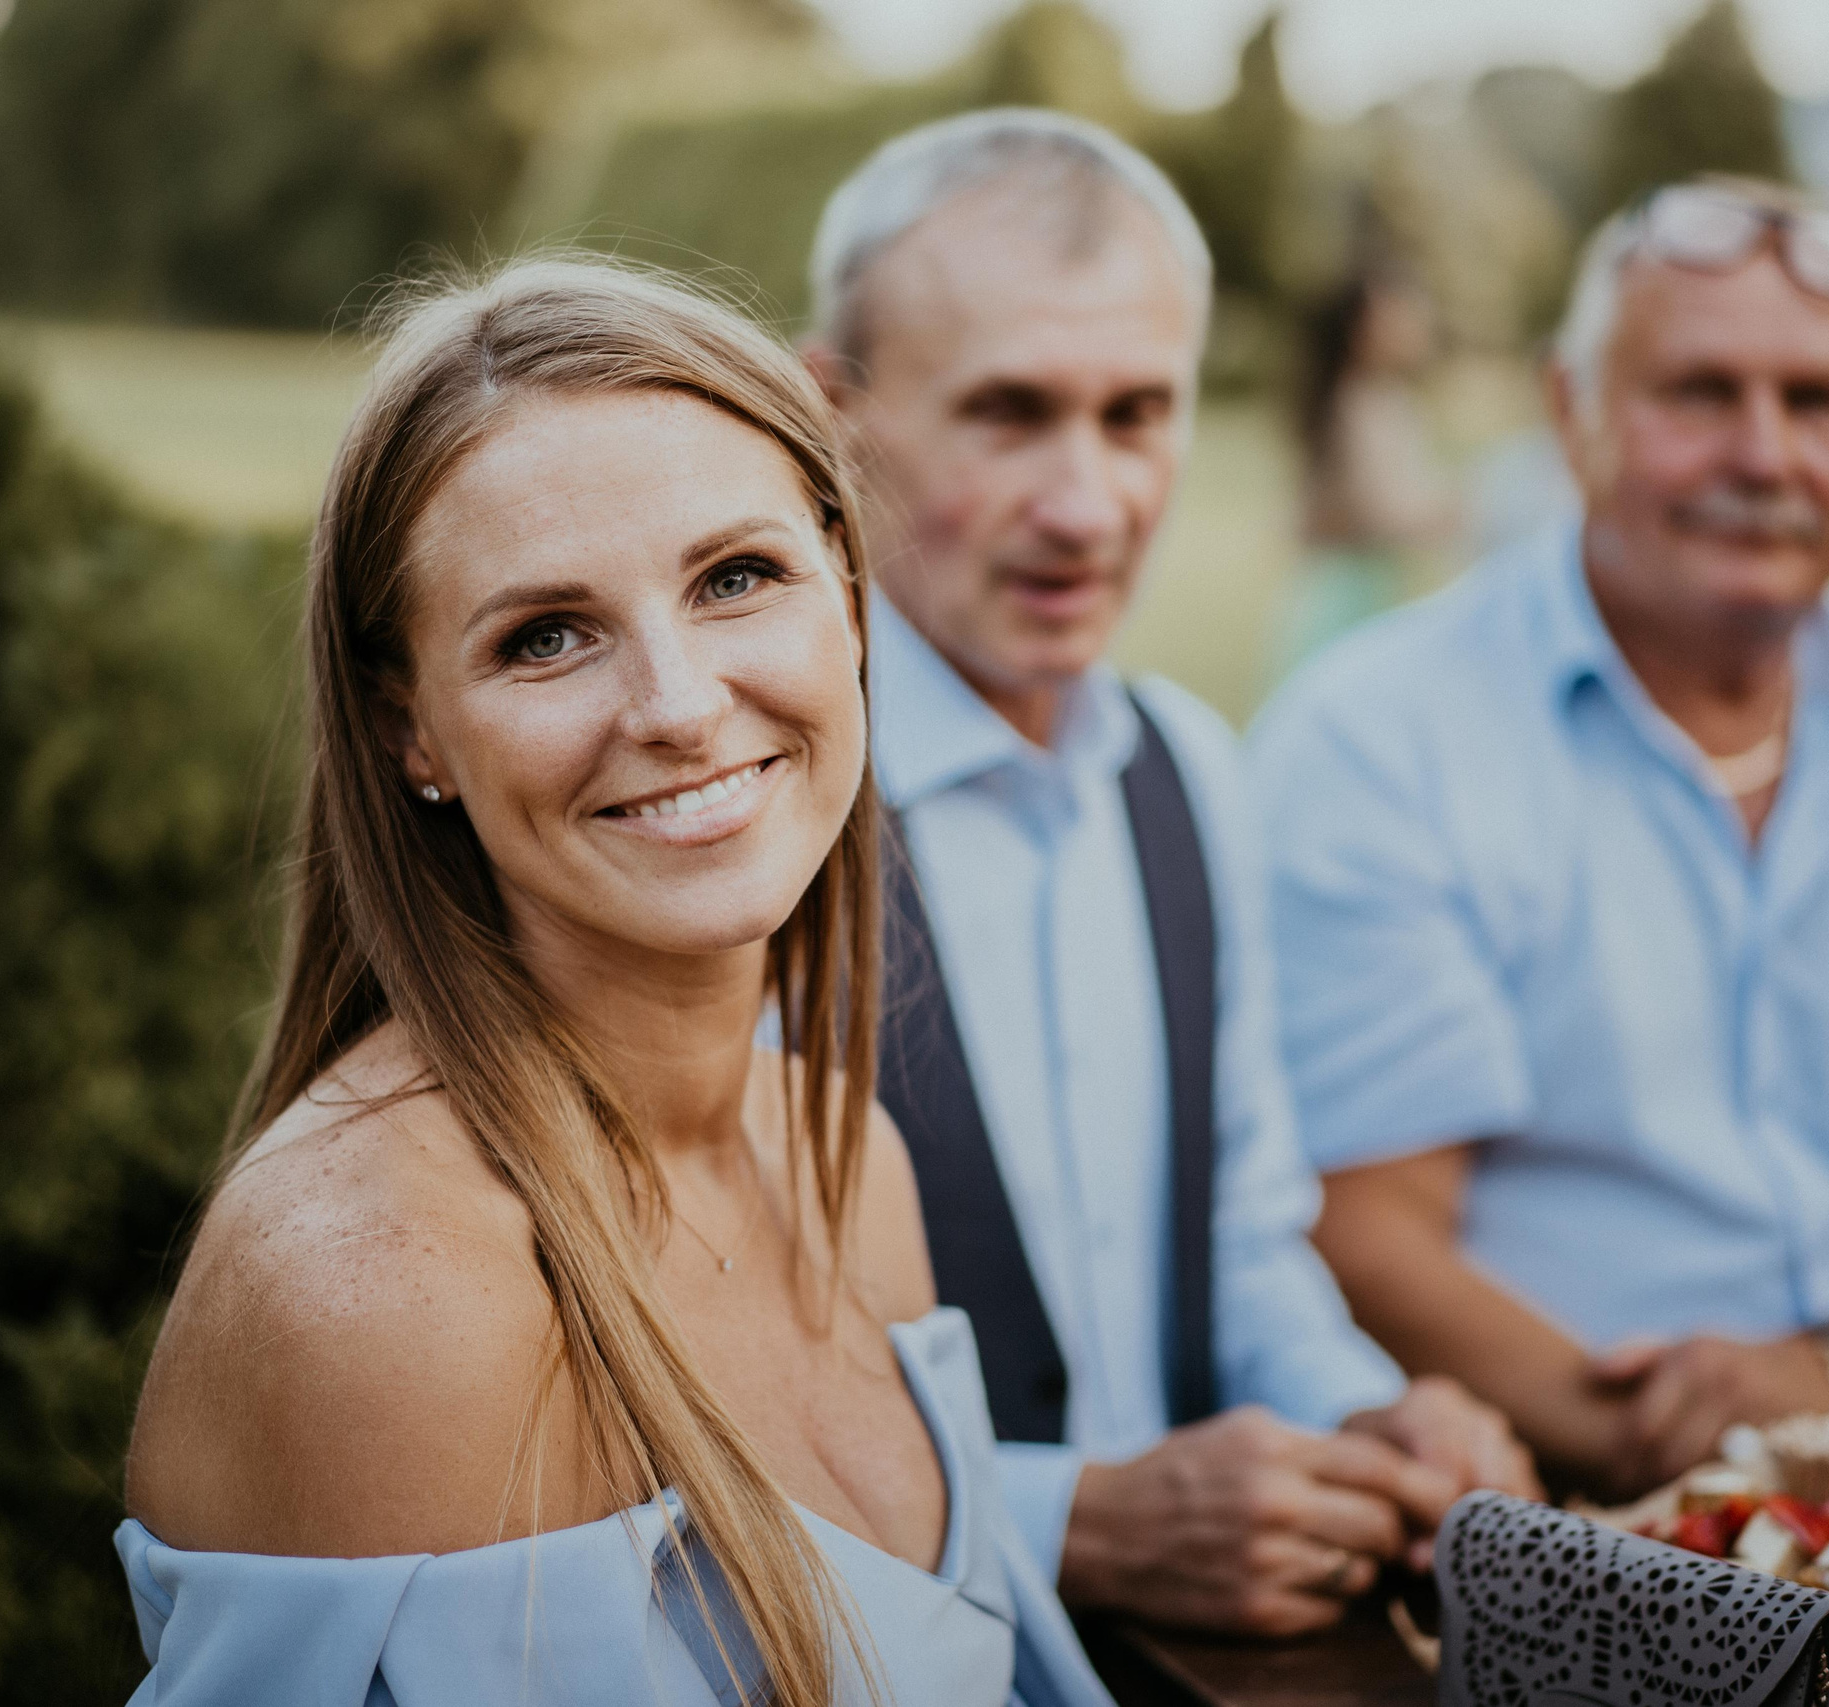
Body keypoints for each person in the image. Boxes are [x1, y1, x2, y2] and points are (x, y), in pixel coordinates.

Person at [115, 258, 1113, 1706]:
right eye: (547, 636)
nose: (680, 704)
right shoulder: (398, 1288)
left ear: (848, 594)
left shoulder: (847, 1160)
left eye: (737, 577)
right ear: (416, 734)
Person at [1249, 179, 1829, 1500]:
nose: (1765, 455)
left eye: (1822, 401)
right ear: (1573, 412)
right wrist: (1720, 1460)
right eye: (1701, 391)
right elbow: (1363, 1232)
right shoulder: (1381, 737)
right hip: (1545, 1512)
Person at [798, 109, 1537, 1641]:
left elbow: (1243, 1232)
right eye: (1010, 413)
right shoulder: (751, 807)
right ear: (831, 412)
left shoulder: (1193, 770)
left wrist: (1360, 1409)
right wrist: (1070, 1522)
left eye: (1138, 413)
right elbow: (650, 1401)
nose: (1088, 504)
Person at [1273, 250, 1462, 679]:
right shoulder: (1352, 405)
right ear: (1360, 329)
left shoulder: (1391, 401)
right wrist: (1448, 514)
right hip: (1344, 597)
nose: (1412, 322)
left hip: (1377, 591)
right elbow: (1373, 511)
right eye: (1393, 312)